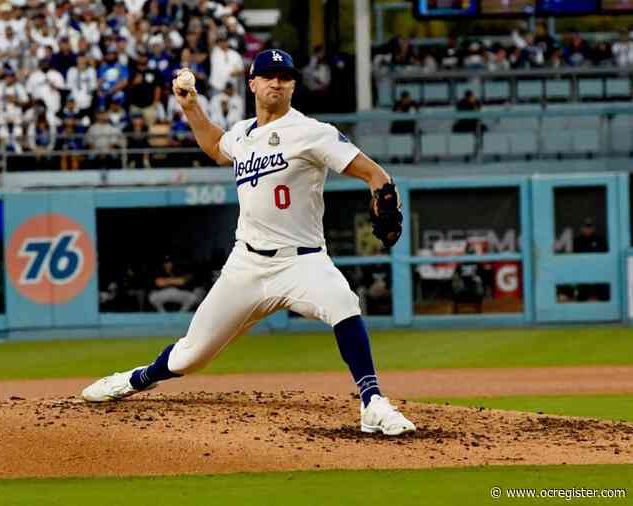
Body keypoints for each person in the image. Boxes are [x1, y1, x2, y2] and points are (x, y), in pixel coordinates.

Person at [82, 49, 415, 437]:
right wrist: (191, 107)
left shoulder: (312, 131)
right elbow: (214, 146)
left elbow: (374, 173)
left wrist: (384, 195)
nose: (277, 82)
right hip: (247, 264)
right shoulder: (241, 134)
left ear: (293, 84)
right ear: (252, 84)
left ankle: (372, 402)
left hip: (303, 262)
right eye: (269, 75)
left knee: (344, 303)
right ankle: (137, 379)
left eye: (285, 76)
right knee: (193, 354)